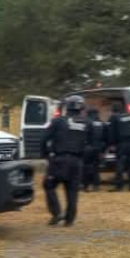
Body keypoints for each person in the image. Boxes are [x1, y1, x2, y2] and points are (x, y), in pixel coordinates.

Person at [42, 95, 89, 226]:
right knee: (72, 191)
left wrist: (46, 155)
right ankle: (69, 219)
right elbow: (93, 144)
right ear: (82, 107)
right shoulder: (87, 123)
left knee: (49, 185)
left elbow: (44, 139)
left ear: (67, 107)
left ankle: (57, 213)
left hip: (59, 160)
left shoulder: (58, 121)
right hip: (77, 162)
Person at [106, 100, 130, 192]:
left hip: (121, 144)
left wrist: (110, 144)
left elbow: (110, 132)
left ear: (114, 109)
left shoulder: (114, 117)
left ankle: (119, 186)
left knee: (119, 165)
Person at [82, 107, 107, 192]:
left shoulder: (88, 122)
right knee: (96, 168)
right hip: (99, 149)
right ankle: (96, 186)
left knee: (86, 168)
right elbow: (105, 138)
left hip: (88, 148)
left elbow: (84, 136)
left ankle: (86, 186)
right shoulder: (102, 123)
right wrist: (103, 150)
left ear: (89, 114)